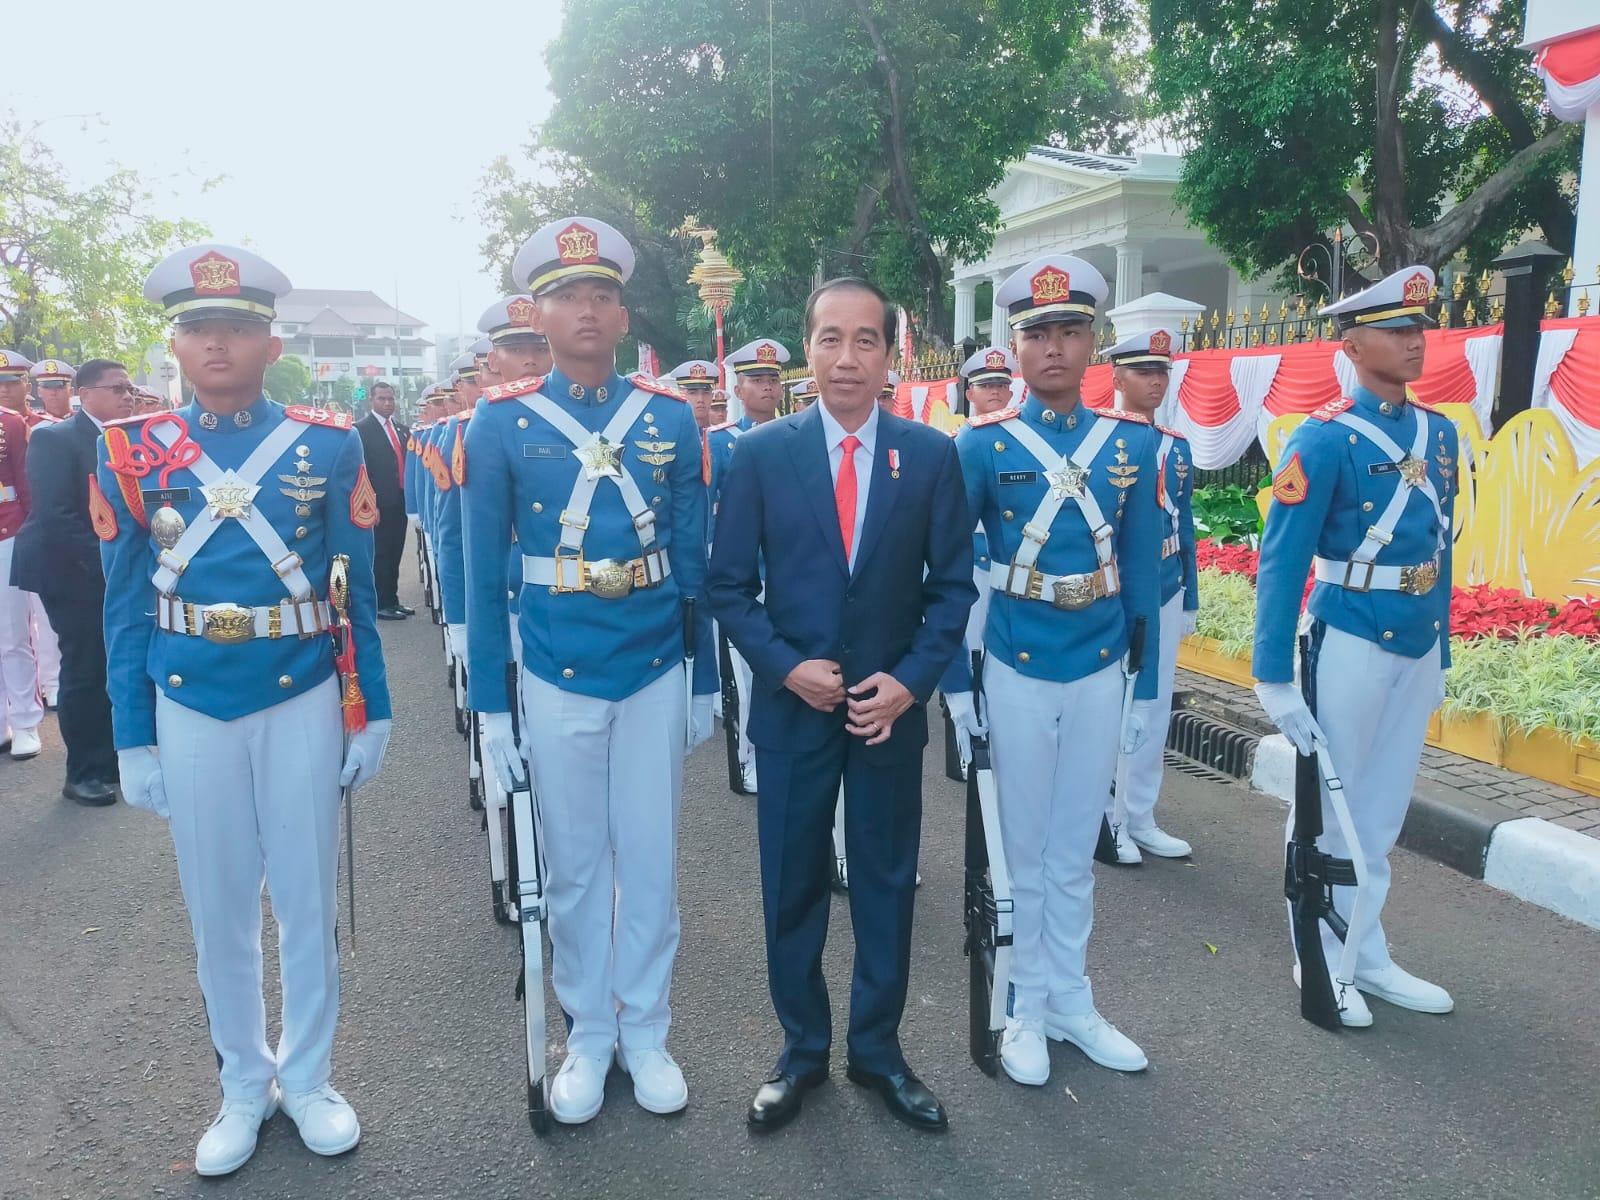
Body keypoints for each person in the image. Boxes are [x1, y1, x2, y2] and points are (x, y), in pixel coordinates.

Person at [99, 243, 392, 1176]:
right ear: (176, 347)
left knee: (305, 900)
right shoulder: (132, 452)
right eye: (197, 328)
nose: (215, 342)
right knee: (217, 907)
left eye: (234, 327)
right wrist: (131, 735)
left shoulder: (329, 441)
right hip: (188, 701)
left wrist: (370, 709)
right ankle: (240, 1083)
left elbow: (350, 587)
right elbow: (121, 608)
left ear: (271, 343)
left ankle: (307, 1079)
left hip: (298, 693)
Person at [463, 216, 716, 1125]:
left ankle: (646, 1029)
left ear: (621, 311)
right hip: (559, 664)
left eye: (602, 294)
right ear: (540, 312)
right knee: (572, 867)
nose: (587, 310)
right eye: (569, 295)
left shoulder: (669, 416)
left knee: (648, 859)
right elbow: (480, 575)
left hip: (650, 661)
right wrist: (491, 707)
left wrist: (703, 677)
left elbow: (695, 561)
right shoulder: (500, 424)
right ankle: (590, 1032)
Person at [709, 277, 975, 1134]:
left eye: (866, 340)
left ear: (891, 355)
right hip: (795, 710)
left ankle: (879, 1051)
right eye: (831, 338)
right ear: (807, 350)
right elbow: (728, 586)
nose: (847, 358)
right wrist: (786, 670)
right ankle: (800, 1052)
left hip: (887, 711)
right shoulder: (758, 457)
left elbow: (953, 591)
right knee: (792, 883)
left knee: (888, 881)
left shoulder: (930, 457)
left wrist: (910, 681)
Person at [952, 254, 1162, 1088]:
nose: (1053, 349)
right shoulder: (982, 446)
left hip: (1102, 662)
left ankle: (1071, 998)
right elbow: (949, 573)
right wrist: (957, 686)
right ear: (1016, 346)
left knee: (1077, 844)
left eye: (1070, 331)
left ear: (1092, 344)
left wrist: (1146, 691)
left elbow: (1142, 570)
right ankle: (1024, 1004)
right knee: (1024, 844)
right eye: (1037, 334)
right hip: (1019, 661)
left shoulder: (1130, 446)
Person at [1253, 265, 1457, 1027]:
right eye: (1397, 330)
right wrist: (1274, 675)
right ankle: (1318, 946)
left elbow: (1441, 546)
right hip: (1350, 634)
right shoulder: (1324, 438)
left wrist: (1444, 653)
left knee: (1381, 810)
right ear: (1352, 342)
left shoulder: (1440, 433)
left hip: (1414, 640)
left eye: (1418, 328)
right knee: (1329, 807)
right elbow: (1282, 559)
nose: (1414, 341)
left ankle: (1366, 949)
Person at [9, 358, 132, 803]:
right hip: (68, 568)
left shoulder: (127, 440)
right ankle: (81, 772)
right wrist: (112, 566)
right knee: (83, 666)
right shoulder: (54, 438)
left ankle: (108, 758)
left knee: (109, 662)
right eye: (116, 388)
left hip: (104, 567)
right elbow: (57, 516)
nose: (126, 395)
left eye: (129, 388)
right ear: (86, 393)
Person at [1098, 328, 1197, 863]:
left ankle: (1141, 814)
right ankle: (1105, 815)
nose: (1154, 381)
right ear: (1116, 377)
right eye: (1142, 371)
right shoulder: (1102, 439)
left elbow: (1185, 525)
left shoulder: (1176, 447)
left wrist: (1192, 596)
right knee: (1111, 705)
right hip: (1114, 589)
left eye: (1161, 371)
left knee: (1154, 708)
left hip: (1164, 587)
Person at [0, 378, 40, 760]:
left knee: (12, 633)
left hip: (6, 530)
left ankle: (26, 719)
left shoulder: (9, 424)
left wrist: (31, 536)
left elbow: (25, 486)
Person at [355, 381, 413, 620]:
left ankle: (393, 599)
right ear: (371, 400)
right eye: (382, 399)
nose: (388, 403)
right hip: (378, 504)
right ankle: (381, 602)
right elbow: (361, 470)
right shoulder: (360, 429)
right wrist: (369, 504)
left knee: (396, 551)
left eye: (391, 399)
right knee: (381, 554)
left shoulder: (401, 429)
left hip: (400, 501)